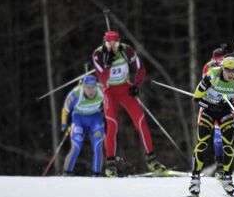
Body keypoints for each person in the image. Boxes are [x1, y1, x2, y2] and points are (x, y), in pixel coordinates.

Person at [92, 30, 165, 176]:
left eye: (115, 42)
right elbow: (102, 80)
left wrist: (136, 84)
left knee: (141, 121)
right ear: (104, 42)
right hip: (110, 91)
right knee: (112, 125)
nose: (112, 46)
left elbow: (140, 68)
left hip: (125, 88)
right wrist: (107, 63)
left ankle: (151, 160)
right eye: (109, 43)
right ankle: (111, 163)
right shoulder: (98, 55)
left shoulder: (126, 50)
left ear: (119, 41)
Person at [189, 53, 234, 196]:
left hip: (225, 111)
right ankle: (195, 179)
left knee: (227, 145)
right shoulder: (213, 75)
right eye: (228, 70)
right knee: (202, 143)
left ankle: (227, 178)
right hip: (208, 110)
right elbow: (196, 98)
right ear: (222, 67)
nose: (231, 73)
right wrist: (210, 106)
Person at [201, 47, 234, 179]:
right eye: (216, 63)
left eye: (220, 64)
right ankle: (220, 166)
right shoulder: (208, 68)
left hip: (232, 103)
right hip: (214, 104)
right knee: (217, 136)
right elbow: (204, 87)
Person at [61, 75, 105, 176]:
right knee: (76, 146)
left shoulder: (102, 90)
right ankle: (66, 173)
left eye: (93, 87)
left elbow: (112, 96)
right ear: (83, 87)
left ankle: (97, 174)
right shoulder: (75, 94)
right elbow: (65, 110)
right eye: (88, 87)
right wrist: (64, 124)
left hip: (95, 118)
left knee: (98, 145)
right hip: (79, 119)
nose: (91, 91)